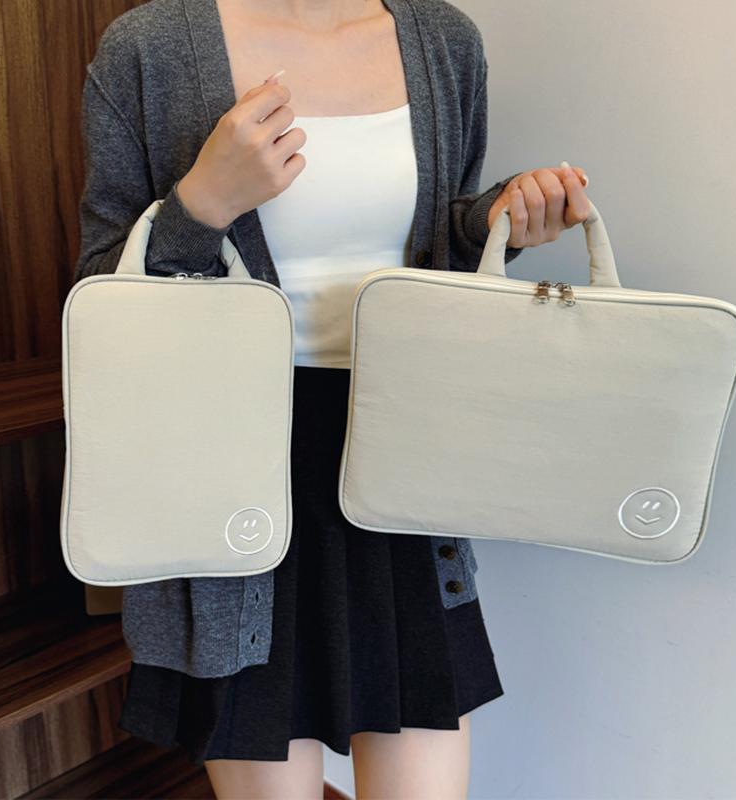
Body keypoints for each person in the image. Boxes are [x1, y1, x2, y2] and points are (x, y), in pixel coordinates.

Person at [76, 0, 589, 797]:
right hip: (232, 480)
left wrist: (495, 222)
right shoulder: (151, 48)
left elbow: (437, 252)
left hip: (398, 471)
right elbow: (99, 297)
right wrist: (203, 205)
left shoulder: (445, 41)